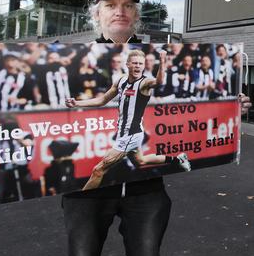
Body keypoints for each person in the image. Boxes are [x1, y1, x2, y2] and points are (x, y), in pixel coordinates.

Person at [0, 0, 252, 256]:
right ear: (96, 14)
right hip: (85, 197)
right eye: (110, 5)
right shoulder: (64, 61)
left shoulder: (155, 61)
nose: (119, 11)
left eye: (126, 6)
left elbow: (188, 101)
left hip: (145, 191)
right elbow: (88, 102)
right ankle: (174, 158)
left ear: (136, 15)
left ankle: (172, 158)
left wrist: (230, 106)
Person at [65, 49, 192, 191]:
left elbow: (158, 81)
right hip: (124, 132)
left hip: (132, 134)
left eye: (140, 64)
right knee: (140, 161)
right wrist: (77, 103)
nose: (138, 66)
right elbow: (102, 100)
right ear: (128, 64)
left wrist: (162, 63)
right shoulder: (121, 81)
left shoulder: (144, 83)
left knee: (98, 170)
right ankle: (177, 160)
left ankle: (82, 202)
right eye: (135, 63)